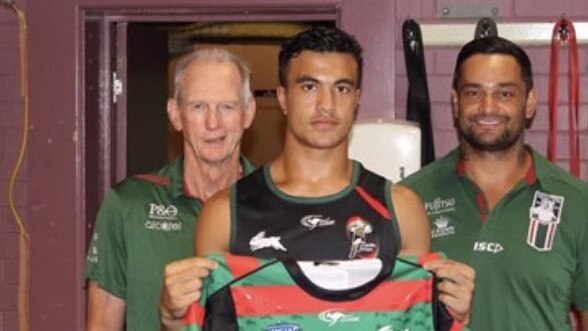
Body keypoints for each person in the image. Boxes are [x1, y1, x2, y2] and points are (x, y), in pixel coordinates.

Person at [160, 25, 474, 330]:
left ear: (357, 99)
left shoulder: (401, 209)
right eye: (309, 86)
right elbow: (206, 323)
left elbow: (415, 320)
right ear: (283, 98)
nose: (326, 105)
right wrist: (173, 318)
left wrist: (457, 316)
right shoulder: (224, 213)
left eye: (341, 88)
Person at [400, 36, 588, 330]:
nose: (488, 107)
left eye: (505, 94)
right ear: (455, 102)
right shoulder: (410, 198)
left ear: (530, 103)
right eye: (473, 93)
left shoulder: (578, 203)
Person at [84, 48, 257, 330]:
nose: (213, 123)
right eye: (198, 107)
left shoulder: (278, 204)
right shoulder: (128, 205)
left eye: (227, 106)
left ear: (248, 114)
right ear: (176, 115)